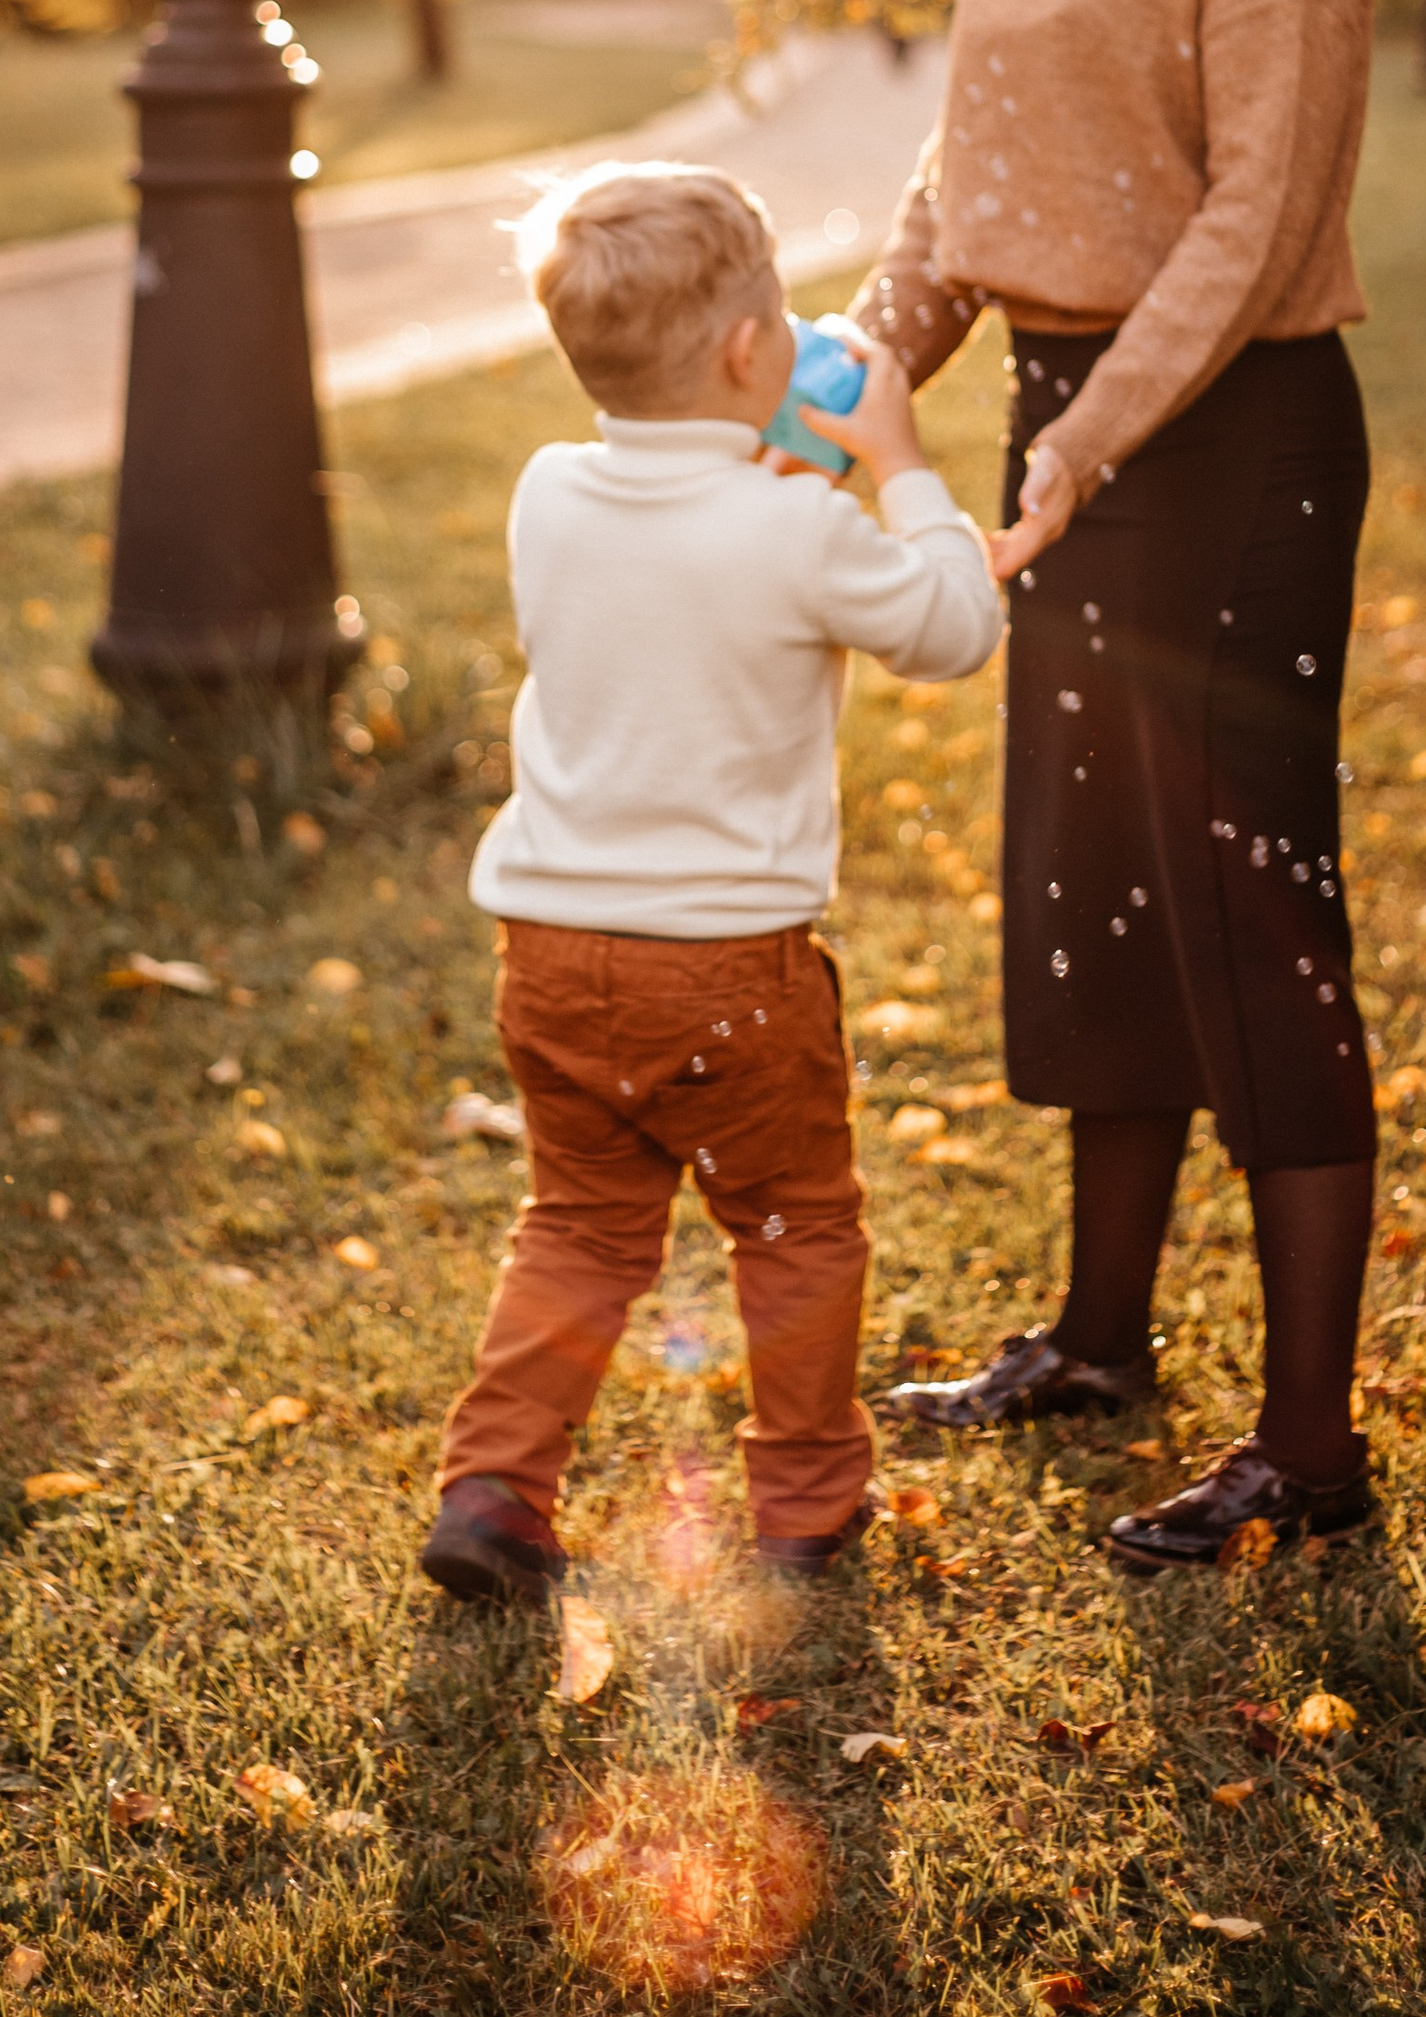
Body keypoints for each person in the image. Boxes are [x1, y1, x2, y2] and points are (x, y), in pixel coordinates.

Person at [858, 0, 1382, 1570]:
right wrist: (870, 351)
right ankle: (1095, 1337)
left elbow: (1257, 206)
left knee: (1248, 911)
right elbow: (969, 169)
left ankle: (1310, 1450)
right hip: (1069, 421)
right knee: (1093, 887)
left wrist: (1089, 444)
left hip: (1235, 433)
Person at [421, 158, 1005, 1607]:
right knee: (795, 1226)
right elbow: (952, 626)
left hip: (552, 952)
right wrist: (900, 461)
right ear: (753, 351)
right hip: (732, 972)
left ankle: (495, 1486)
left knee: (581, 1225)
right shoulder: (801, 530)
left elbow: (688, 544)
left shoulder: (549, 492)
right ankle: (804, 1504)